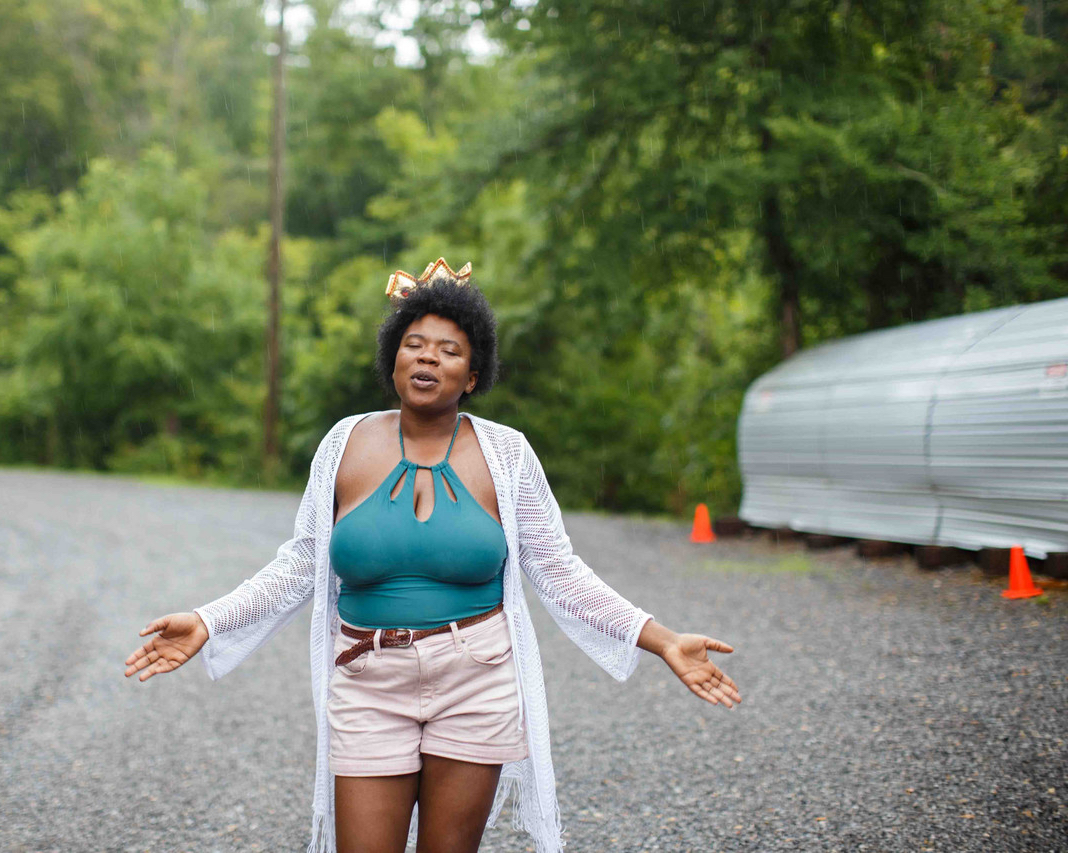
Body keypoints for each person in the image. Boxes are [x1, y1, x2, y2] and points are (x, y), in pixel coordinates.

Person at [124, 258, 741, 853]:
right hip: (367, 678)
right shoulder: (344, 443)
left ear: (473, 376)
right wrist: (210, 620)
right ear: (393, 359)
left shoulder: (508, 454)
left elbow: (559, 572)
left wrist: (660, 639)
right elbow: (298, 564)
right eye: (414, 343)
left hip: (477, 675)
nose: (428, 357)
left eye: (450, 350)